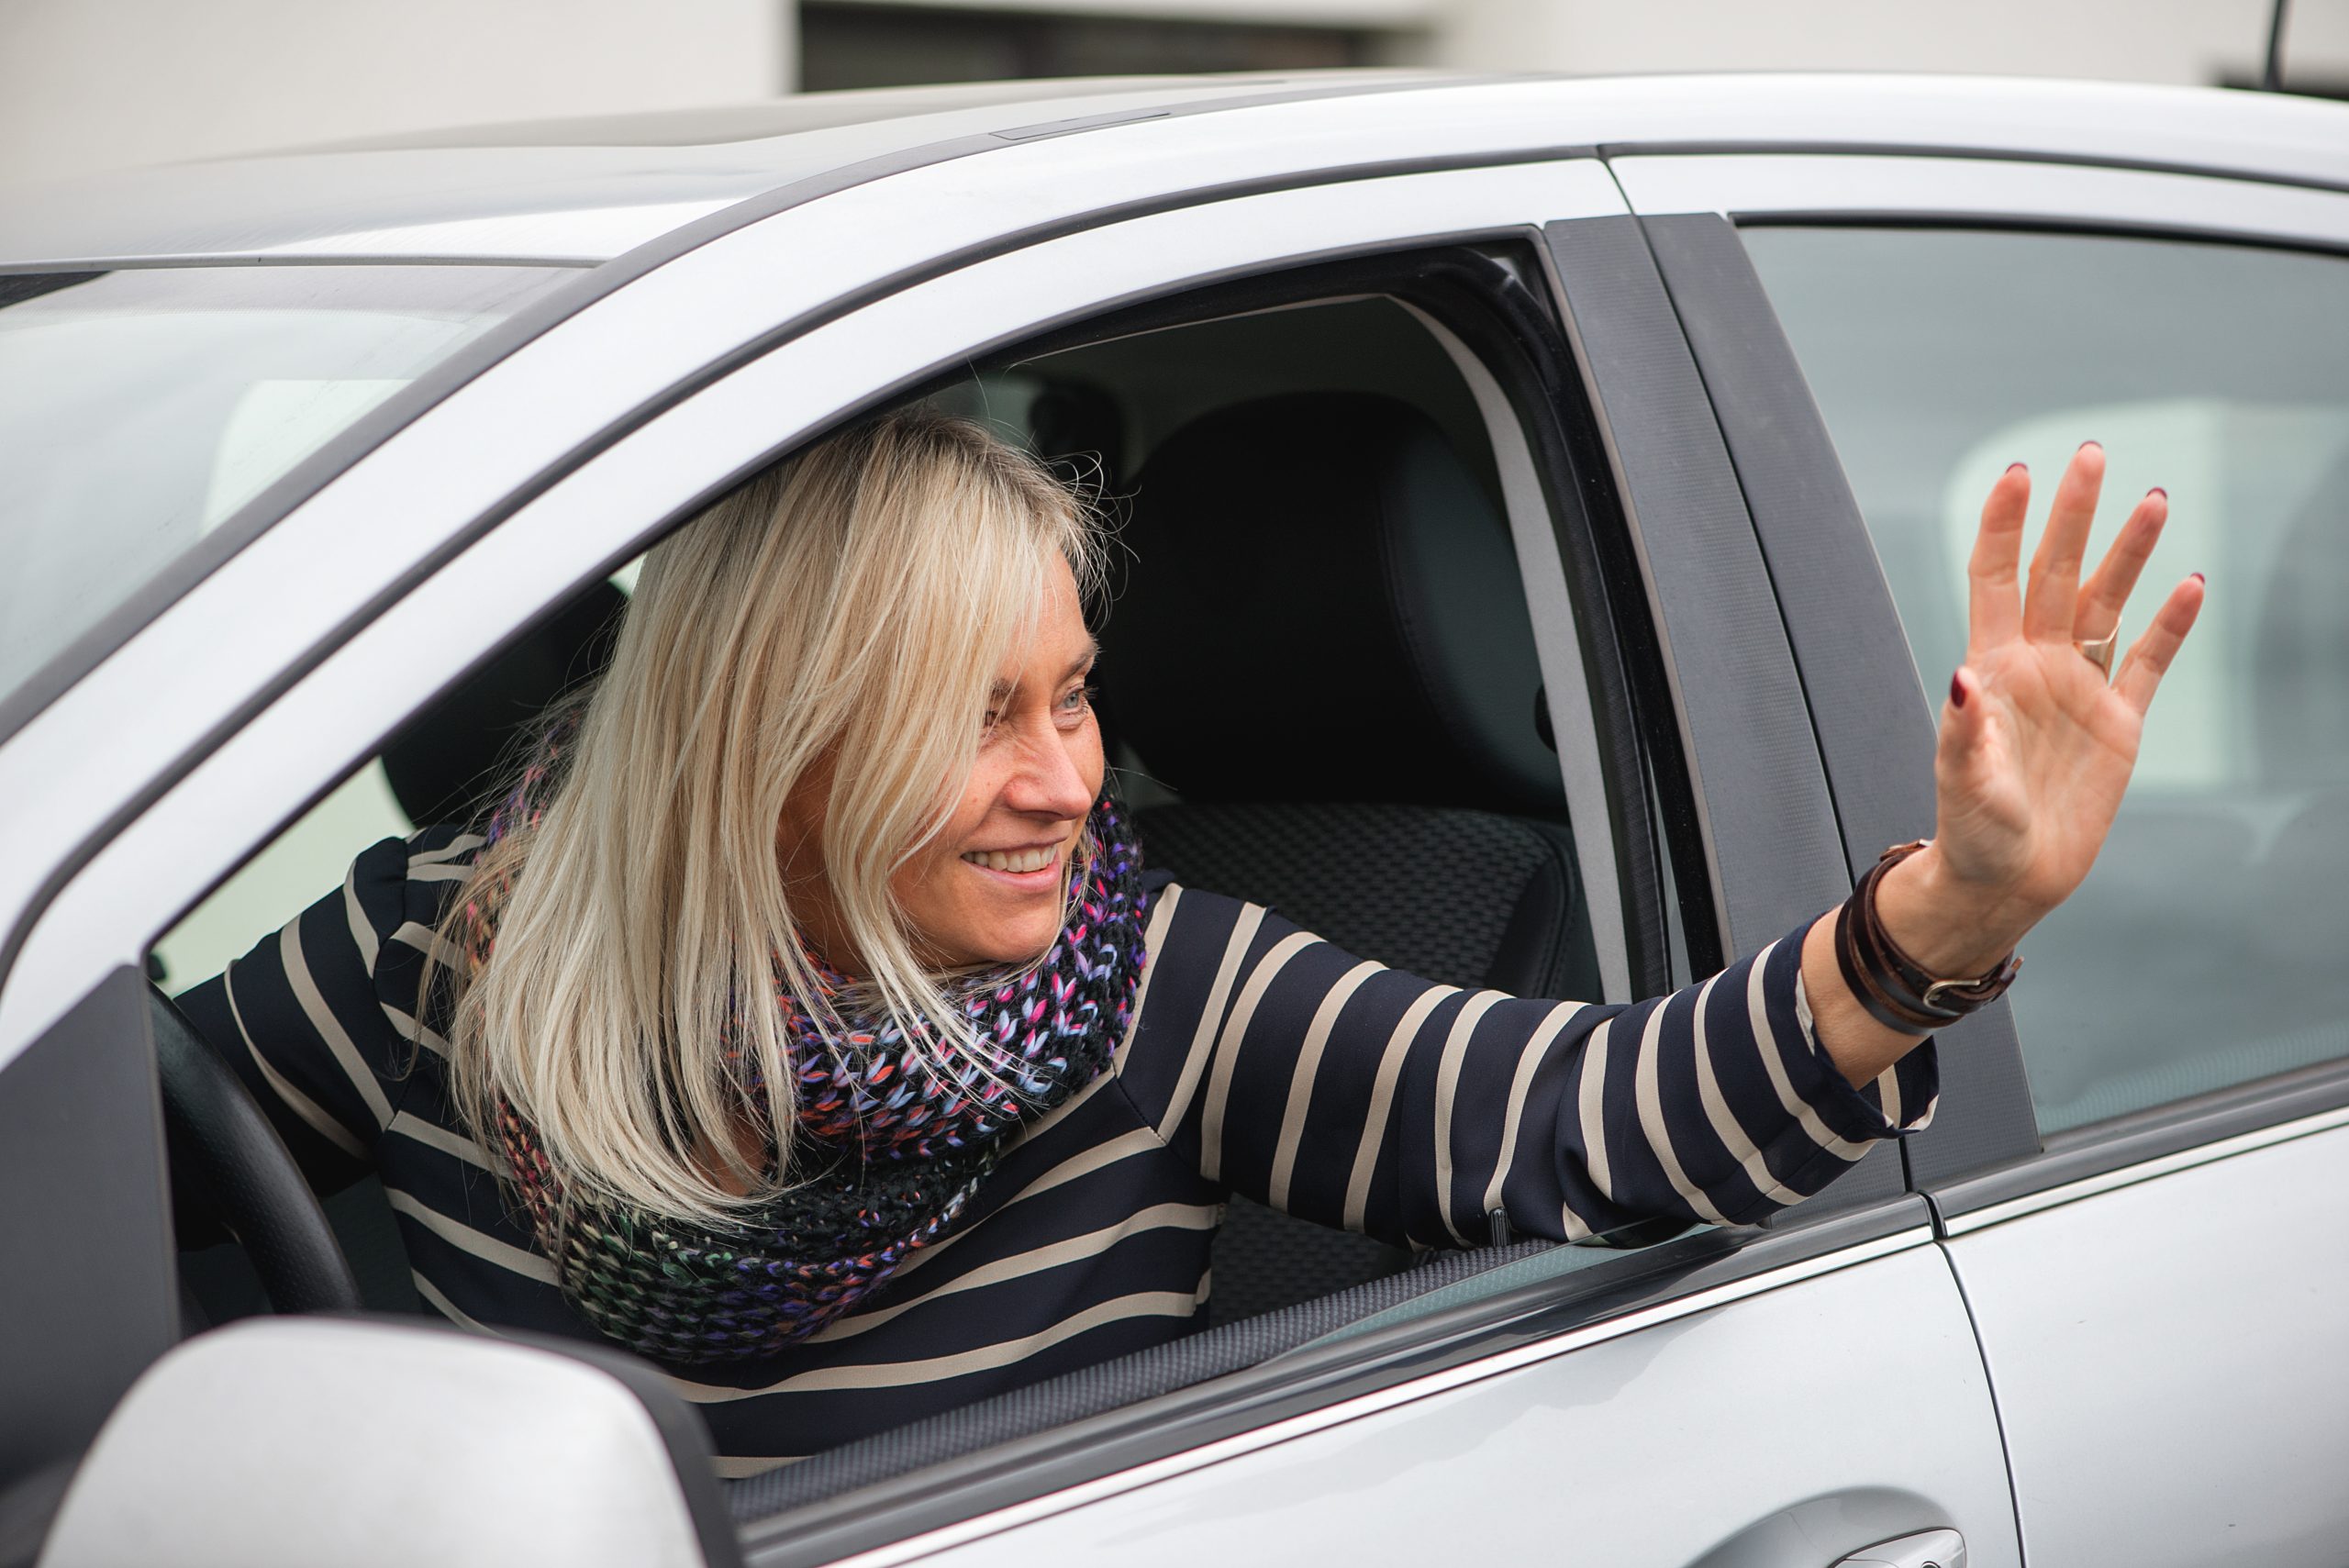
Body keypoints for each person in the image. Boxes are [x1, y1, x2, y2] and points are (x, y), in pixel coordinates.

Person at [177, 406, 2202, 1473]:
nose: (1071, 780)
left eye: (1073, 693)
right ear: (775, 740)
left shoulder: (1142, 993)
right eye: (983, 715)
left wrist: (1941, 916)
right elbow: (102, 1163)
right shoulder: (447, 955)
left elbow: (1597, 1119)